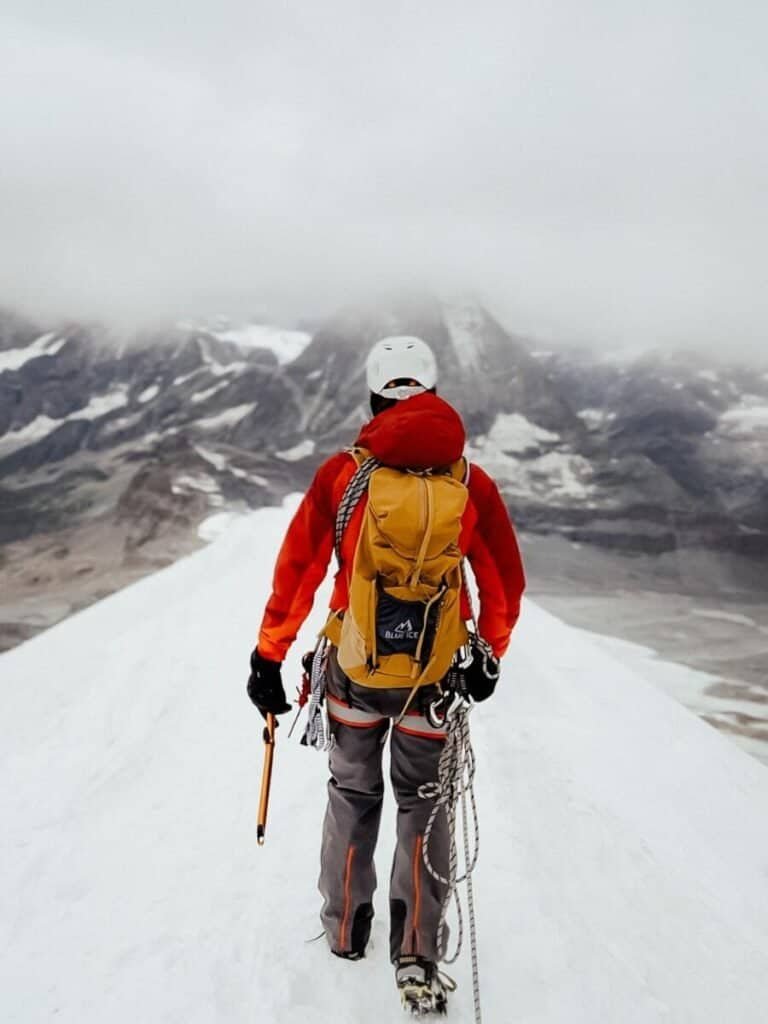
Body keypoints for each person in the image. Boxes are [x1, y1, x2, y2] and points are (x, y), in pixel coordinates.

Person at [247, 335, 525, 1012]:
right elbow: (504, 584)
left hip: (354, 675)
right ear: (432, 396)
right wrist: (489, 654)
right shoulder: (469, 482)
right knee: (425, 808)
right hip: (433, 681)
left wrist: (269, 654)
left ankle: (345, 929)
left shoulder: (344, 476)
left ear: (374, 398)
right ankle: (419, 955)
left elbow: (300, 571)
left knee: (352, 795)